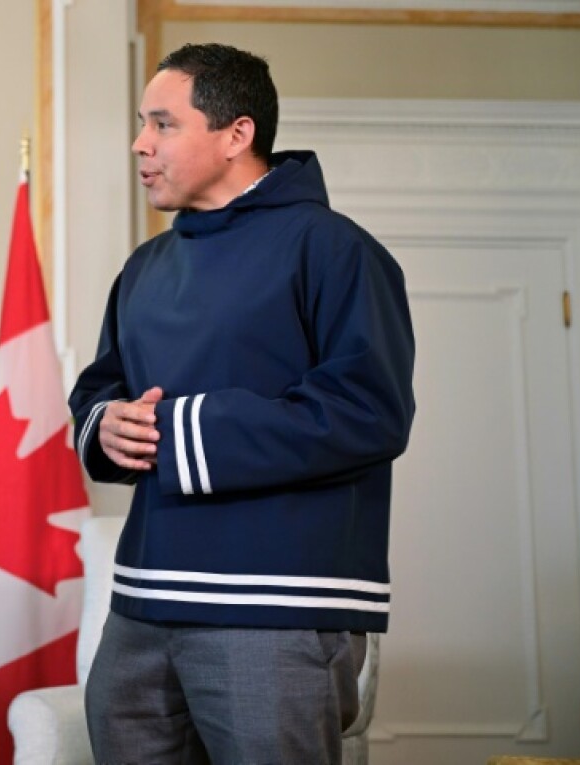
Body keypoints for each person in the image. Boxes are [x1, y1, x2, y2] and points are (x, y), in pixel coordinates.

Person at [69, 43, 415, 764]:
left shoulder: (335, 249)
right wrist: (110, 425)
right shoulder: (145, 267)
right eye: (141, 123)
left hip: (274, 609)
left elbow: (369, 408)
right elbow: (102, 387)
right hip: (140, 606)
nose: (140, 143)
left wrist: (181, 429)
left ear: (236, 134)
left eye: (163, 123)